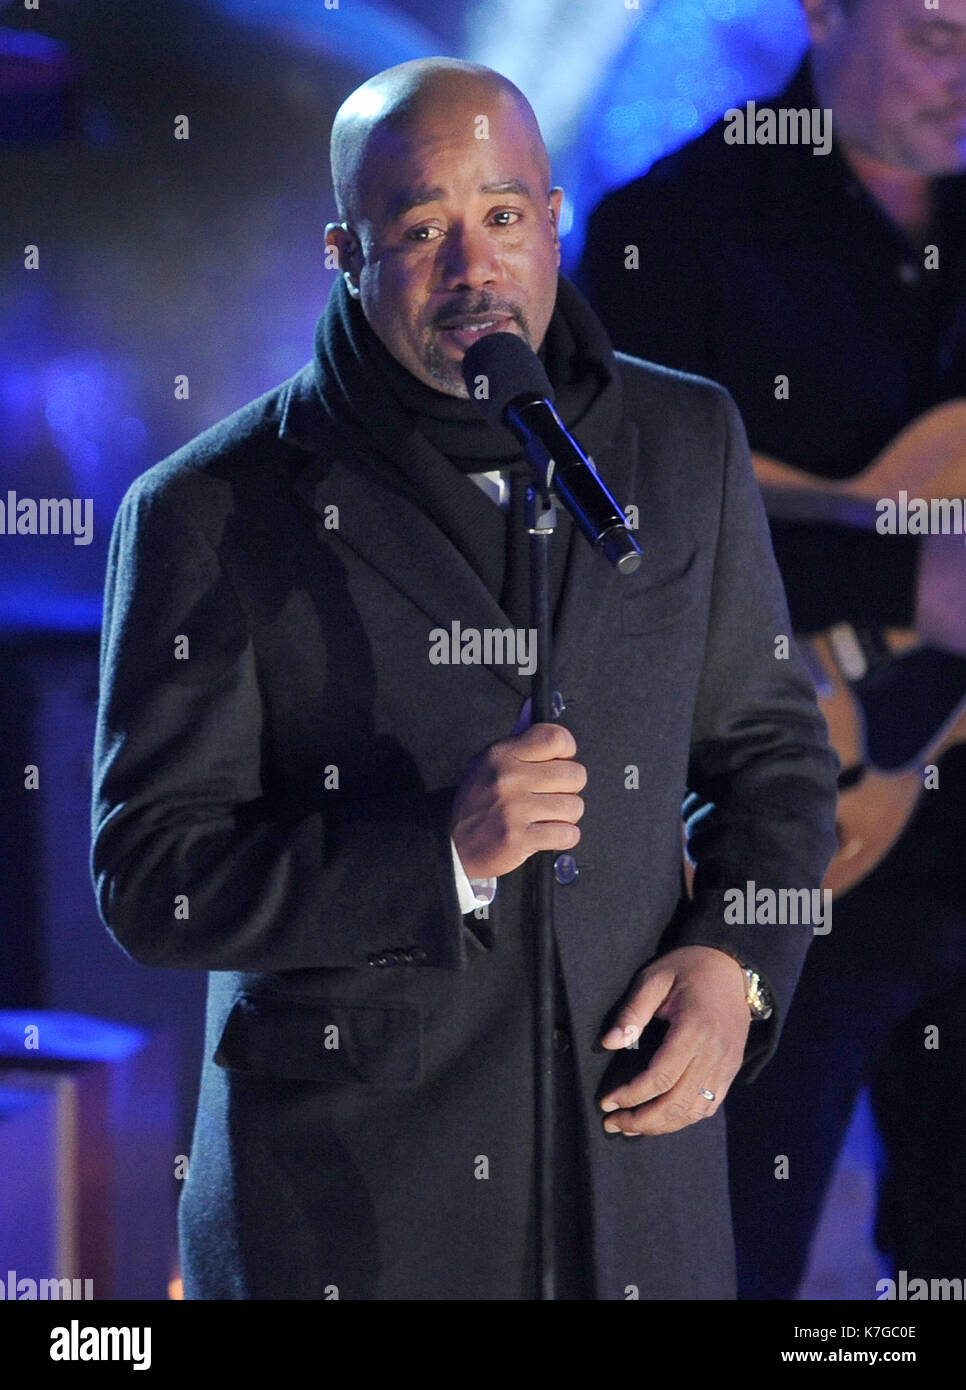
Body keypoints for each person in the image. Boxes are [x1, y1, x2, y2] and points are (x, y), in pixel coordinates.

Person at [90, 57, 838, 1301]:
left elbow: (775, 759)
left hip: (637, 1212)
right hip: (351, 1222)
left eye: (500, 216)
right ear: (345, 250)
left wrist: (735, 966)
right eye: (422, 227)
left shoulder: (686, 440)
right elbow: (150, 877)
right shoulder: (208, 509)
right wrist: (440, 856)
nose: (472, 266)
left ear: (551, 222)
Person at [579, 0, 966, 1298]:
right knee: (722, 1265)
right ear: (820, 7)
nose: (964, 69)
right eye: (934, 29)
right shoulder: (667, 236)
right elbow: (605, 541)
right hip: (763, 874)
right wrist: (906, 574)